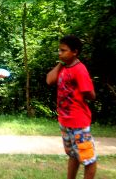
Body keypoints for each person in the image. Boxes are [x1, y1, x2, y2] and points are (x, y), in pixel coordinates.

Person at [46, 35, 97, 179]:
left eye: (63, 50)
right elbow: (49, 80)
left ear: (75, 52)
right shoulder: (63, 67)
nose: (60, 53)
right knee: (73, 155)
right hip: (65, 121)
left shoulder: (79, 69)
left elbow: (90, 94)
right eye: (59, 50)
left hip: (78, 123)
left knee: (89, 160)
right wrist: (60, 63)